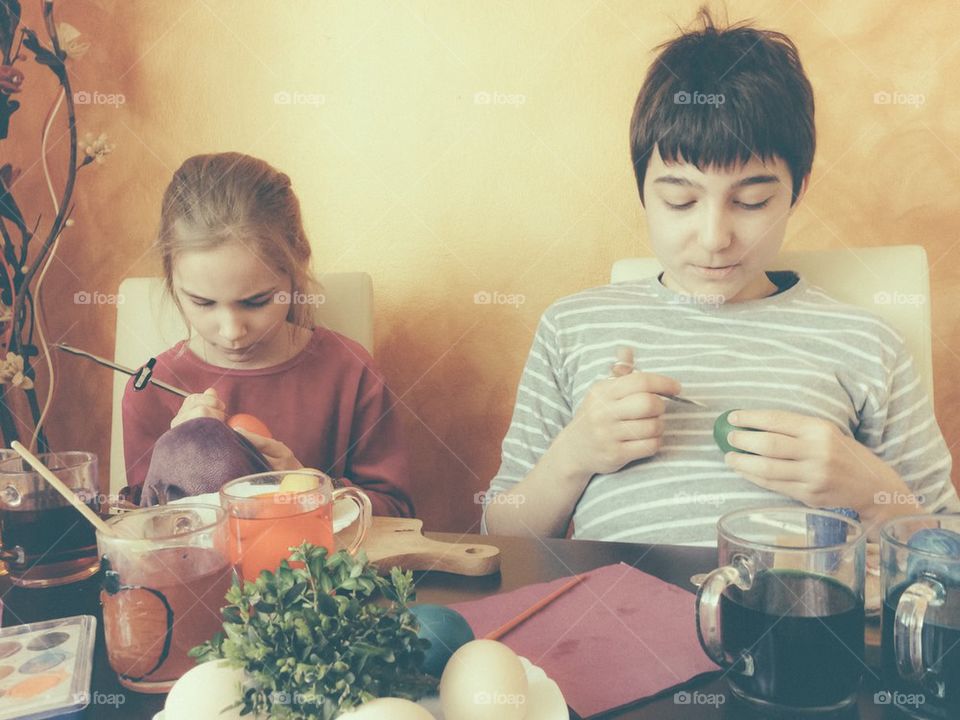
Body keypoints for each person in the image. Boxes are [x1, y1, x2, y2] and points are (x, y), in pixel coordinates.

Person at [482, 9, 960, 545]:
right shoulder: (572, 326)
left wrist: (873, 493)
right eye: (680, 200)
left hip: (797, 616)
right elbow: (502, 535)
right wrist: (574, 455)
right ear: (642, 190)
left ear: (796, 191)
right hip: (615, 615)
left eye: (751, 201)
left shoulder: (869, 344)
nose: (714, 237)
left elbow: (946, 553)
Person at [121, 152, 414, 517]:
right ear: (170, 279)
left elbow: (398, 513)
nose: (232, 332)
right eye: (202, 302)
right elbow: (138, 533)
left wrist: (310, 487)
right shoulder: (150, 387)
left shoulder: (349, 371)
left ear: (297, 265)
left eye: (257, 302)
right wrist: (176, 455)